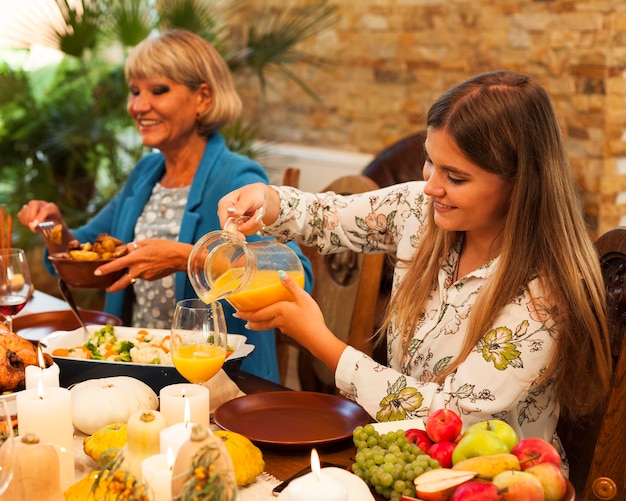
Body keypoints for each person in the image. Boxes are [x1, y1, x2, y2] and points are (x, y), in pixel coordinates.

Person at [217, 70, 612, 445]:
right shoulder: (420, 212)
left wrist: (320, 342)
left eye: (455, 177)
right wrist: (265, 200)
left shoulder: (546, 289)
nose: (430, 187)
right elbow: (326, 217)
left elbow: (452, 417)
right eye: (430, 161)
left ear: (519, 183)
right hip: (407, 455)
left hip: (493, 481)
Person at [17, 29, 312, 383]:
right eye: (134, 91)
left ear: (202, 97)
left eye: (158, 90)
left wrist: (186, 258)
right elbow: (86, 257)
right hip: (139, 370)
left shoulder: (238, 177)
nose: (139, 105)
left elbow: (296, 281)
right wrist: (54, 229)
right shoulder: (145, 174)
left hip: (222, 381)